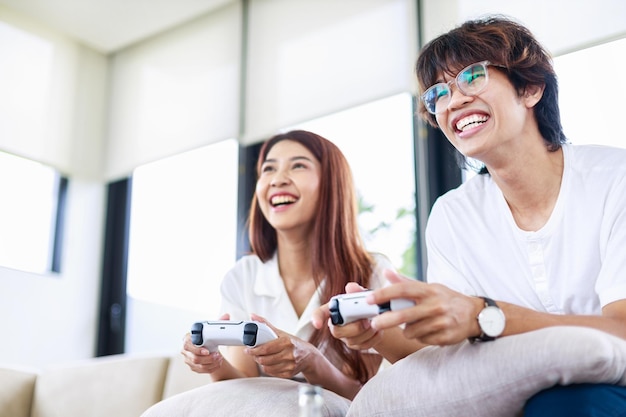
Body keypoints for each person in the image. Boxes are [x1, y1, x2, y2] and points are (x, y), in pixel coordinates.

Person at [313, 15, 626, 414]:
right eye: (438, 94)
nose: (453, 100)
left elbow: (621, 331)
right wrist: (374, 333)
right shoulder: (452, 215)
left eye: (472, 77)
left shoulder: (616, 179)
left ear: (529, 88)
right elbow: (452, 352)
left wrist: (483, 314)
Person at [180, 129, 417, 400]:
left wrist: (311, 360)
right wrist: (215, 364)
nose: (277, 180)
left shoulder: (370, 270)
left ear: (331, 184)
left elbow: (362, 400)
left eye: (298, 165)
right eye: (268, 169)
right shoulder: (242, 276)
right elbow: (242, 390)